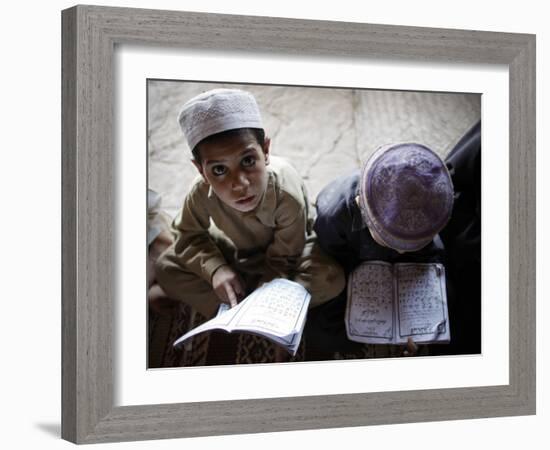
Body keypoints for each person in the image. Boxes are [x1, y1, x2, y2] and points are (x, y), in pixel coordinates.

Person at [155, 88, 345, 323]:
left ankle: (248, 309)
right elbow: (187, 235)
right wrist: (216, 270)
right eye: (219, 170)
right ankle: (246, 312)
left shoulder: (286, 192)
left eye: (247, 160)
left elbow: (286, 255)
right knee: (166, 267)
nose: (240, 183)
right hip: (239, 252)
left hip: (289, 255)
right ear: (200, 170)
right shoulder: (201, 192)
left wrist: (269, 286)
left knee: (328, 278)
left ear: (265, 150)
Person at [309, 142, 455, 355]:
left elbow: (429, 255)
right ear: (361, 206)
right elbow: (335, 259)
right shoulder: (333, 215)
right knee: (324, 325)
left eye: (412, 245)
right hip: (354, 266)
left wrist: (414, 324)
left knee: (447, 300)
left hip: (408, 270)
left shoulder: (428, 210)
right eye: (393, 242)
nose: (403, 251)